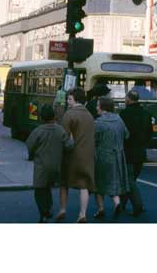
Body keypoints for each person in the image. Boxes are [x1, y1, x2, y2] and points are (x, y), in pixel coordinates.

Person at [26, 105, 74, 223]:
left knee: (39, 190)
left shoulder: (38, 131)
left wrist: (32, 155)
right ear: (54, 116)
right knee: (47, 189)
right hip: (56, 167)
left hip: (41, 167)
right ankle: (48, 209)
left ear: (42, 117)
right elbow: (69, 146)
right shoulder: (60, 130)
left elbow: (29, 145)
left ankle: (44, 212)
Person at [56, 87, 96, 223]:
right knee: (84, 186)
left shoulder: (69, 115)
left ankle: (62, 209)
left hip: (71, 155)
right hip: (87, 155)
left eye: (69, 99)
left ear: (76, 100)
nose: (67, 101)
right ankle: (82, 213)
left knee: (64, 183)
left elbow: (63, 136)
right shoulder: (90, 115)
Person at [93, 97, 130, 220]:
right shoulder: (119, 119)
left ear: (103, 107)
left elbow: (93, 139)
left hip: (102, 155)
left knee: (98, 184)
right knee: (113, 182)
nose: (96, 107)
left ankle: (101, 209)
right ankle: (117, 203)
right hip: (118, 156)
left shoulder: (98, 123)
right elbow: (127, 134)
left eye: (98, 105)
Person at [119, 90, 153, 216]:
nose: (124, 99)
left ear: (129, 99)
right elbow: (150, 134)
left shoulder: (124, 114)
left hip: (128, 152)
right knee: (131, 179)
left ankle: (138, 205)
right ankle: (121, 204)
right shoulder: (146, 114)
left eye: (125, 98)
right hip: (141, 152)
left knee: (129, 180)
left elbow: (121, 133)